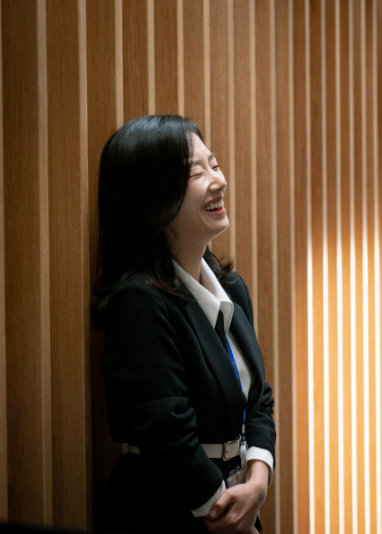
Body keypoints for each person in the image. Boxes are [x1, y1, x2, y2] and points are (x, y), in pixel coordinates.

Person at [92, 115, 275, 533]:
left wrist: (259, 478)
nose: (219, 181)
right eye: (196, 173)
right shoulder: (139, 301)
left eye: (214, 164)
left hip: (236, 502)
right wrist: (225, 514)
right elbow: (165, 432)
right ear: (153, 200)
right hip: (166, 510)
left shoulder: (232, 288)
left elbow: (258, 398)